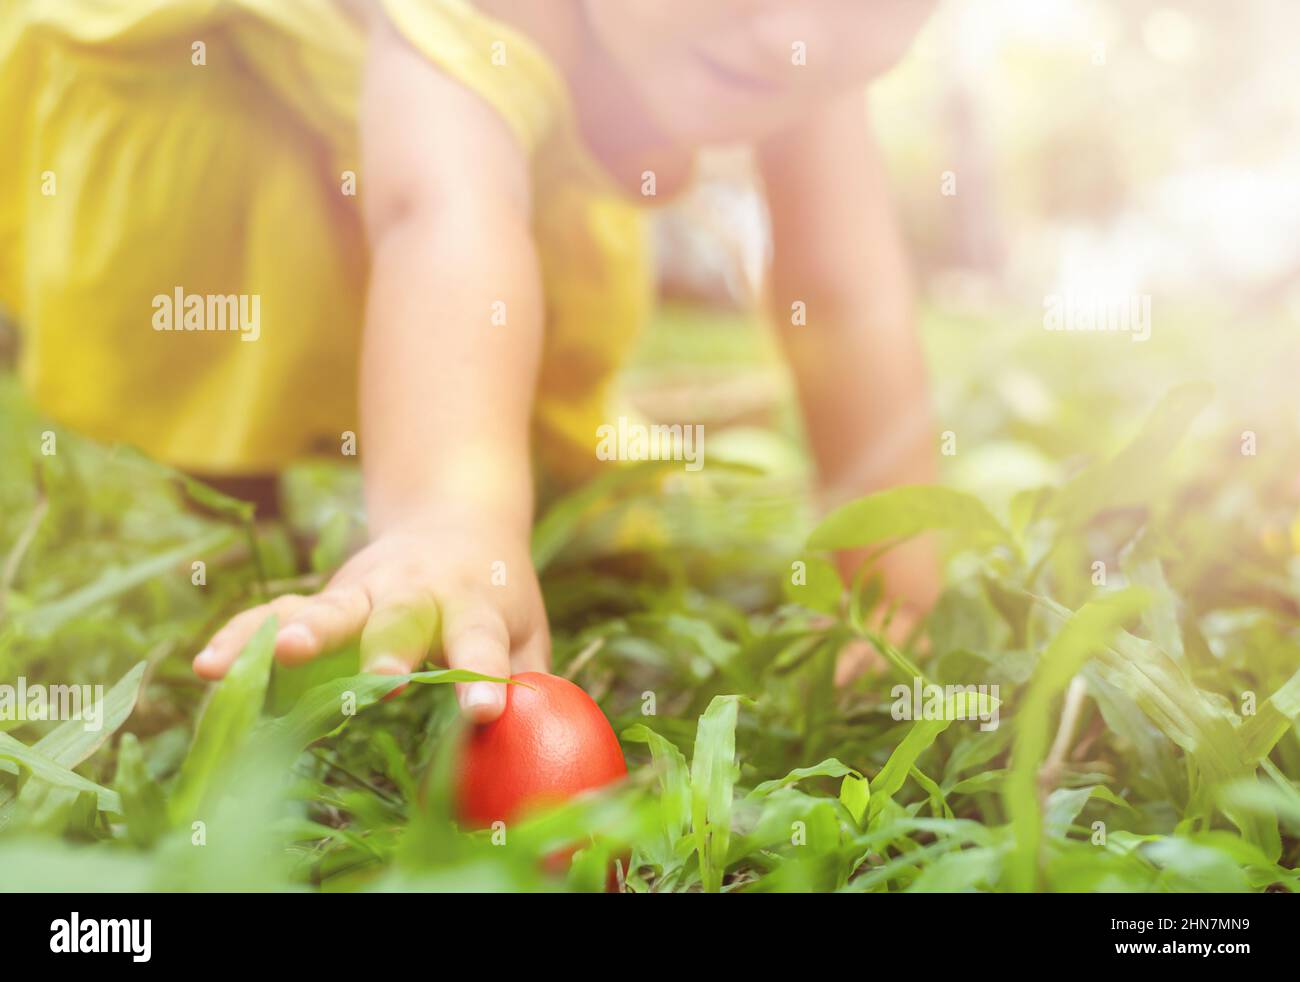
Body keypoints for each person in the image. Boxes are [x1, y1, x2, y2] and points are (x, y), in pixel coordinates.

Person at [0, 0, 939, 721]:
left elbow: (849, 299)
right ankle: (234, 521)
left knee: (499, 338)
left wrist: (885, 577)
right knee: (236, 312)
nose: (792, 35)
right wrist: (452, 516)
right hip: (234, 95)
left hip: (441, 153)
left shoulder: (806, 42)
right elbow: (442, 215)